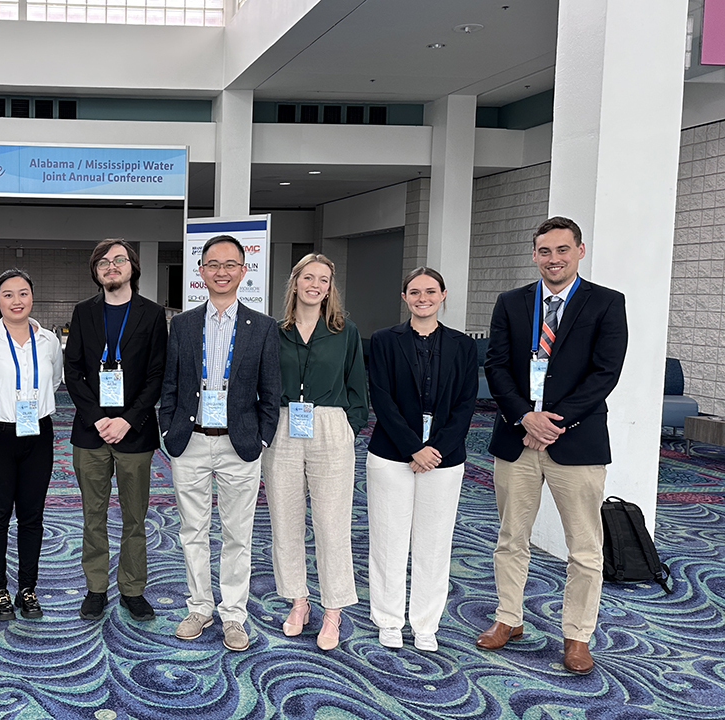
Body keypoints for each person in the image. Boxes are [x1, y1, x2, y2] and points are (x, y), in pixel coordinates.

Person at [478, 216, 628, 675]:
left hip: (575, 441)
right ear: (535, 255)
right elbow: (496, 365)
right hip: (517, 438)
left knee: (585, 548)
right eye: (545, 251)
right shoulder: (511, 303)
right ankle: (509, 618)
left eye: (562, 250)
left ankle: (577, 636)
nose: (554, 259)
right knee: (510, 538)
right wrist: (525, 416)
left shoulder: (606, 303)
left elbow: (605, 373)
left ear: (579, 251)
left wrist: (552, 423)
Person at [159, 235, 281, 652]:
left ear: (243, 271)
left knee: (237, 534)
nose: (222, 271)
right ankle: (198, 607)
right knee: (192, 530)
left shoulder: (263, 327)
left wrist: (262, 438)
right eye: (213, 264)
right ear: (201, 272)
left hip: (240, 444)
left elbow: (271, 391)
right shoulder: (183, 324)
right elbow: (170, 384)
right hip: (190, 443)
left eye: (231, 264)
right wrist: (167, 430)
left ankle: (233, 614)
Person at [366, 267, 477, 652]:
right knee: (388, 539)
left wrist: (436, 450)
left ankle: (426, 623)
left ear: (443, 295)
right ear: (405, 297)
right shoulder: (382, 341)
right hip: (391, 455)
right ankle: (388, 619)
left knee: (434, 543)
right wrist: (414, 447)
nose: (423, 298)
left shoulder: (463, 346)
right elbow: (381, 398)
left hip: (444, 460)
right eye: (415, 291)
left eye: (430, 291)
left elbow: (466, 406)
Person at [260, 253, 367, 651]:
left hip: (329, 426)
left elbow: (358, 385)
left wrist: (349, 426)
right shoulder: (276, 331)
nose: (316, 285)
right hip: (285, 426)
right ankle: (299, 601)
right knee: (284, 520)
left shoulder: (344, 331)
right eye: (309, 277)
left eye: (323, 279)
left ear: (330, 287)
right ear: (295, 282)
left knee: (331, 523)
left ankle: (334, 610)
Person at [64, 239, 167, 622]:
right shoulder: (83, 312)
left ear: (132, 267)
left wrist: (127, 419)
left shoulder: (153, 315)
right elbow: (72, 370)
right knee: (93, 514)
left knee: (134, 516)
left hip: (135, 431)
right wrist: (96, 418)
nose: (111, 266)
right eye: (104, 262)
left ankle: (132, 588)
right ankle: (95, 587)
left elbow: (157, 374)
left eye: (119, 260)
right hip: (91, 432)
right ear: (96, 271)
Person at [0, 269, 64, 621]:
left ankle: (28, 587)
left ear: (32, 298)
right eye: (8, 294)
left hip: (38, 435)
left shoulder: (49, 341)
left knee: (32, 516)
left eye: (23, 293)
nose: (17, 301)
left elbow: (54, 382)